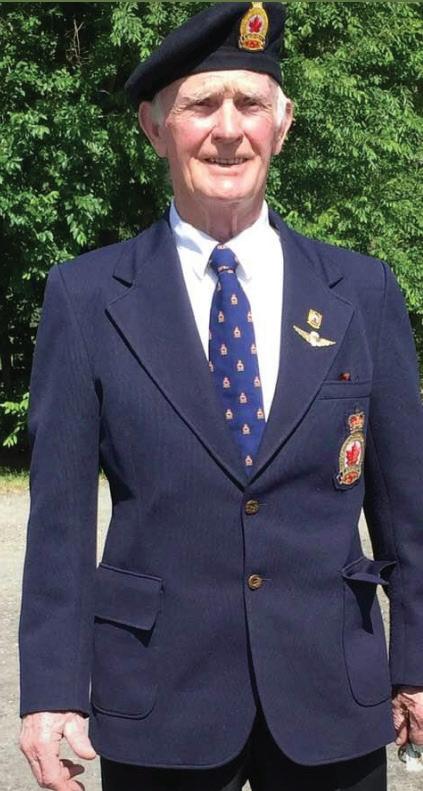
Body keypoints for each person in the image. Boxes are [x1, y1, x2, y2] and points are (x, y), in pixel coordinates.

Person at [18, 3, 423, 790]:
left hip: (328, 693)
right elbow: (59, 518)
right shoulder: (87, 297)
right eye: (201, 104)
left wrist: (414, 660)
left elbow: (406, 506)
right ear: (154, 127)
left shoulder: (361, 292)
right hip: (158, 698)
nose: (228, 130)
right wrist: (51, 692)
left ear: (283, 123)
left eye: (250, 103)